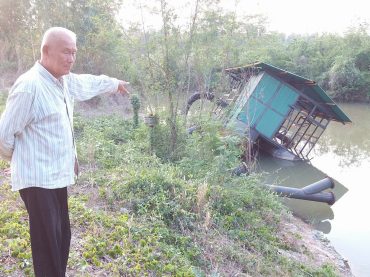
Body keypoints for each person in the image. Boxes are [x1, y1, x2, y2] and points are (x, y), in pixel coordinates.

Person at [0, 27, 129, 277]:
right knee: (48, 245)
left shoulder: (64, 81)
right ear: (46, 52)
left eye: (74, 53)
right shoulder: (30, 87)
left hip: (57, 176)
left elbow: (89, 82)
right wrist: (24, 160)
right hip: (38, 181)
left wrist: (114, 84)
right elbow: (3, 136)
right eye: (65, 52)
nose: (71, 58)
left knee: (61, 238)